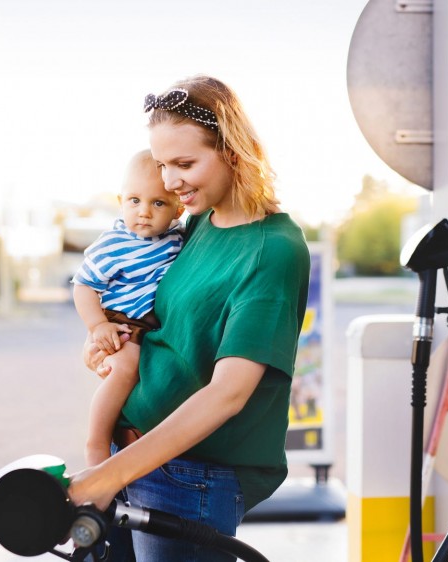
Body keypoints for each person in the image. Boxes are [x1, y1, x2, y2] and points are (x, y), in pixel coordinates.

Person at [67, 75, 311, 561]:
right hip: (136, 457)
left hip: (192, 478)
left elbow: (228, 393)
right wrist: (108, 336)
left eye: (184, 163)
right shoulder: (198, 223)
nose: (168, 181)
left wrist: (106, 477)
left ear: (234, 152)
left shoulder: (273, 251)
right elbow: (170, 325)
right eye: (161, 164)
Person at [71, 149, 184, 467]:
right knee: (125, 367)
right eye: (134, 200)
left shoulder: (176, 238)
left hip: (147, 326)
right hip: (120, 323)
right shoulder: (114, 244)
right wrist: (97, 327)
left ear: (178, 209)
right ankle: (96, 442)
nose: (144, 212)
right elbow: (84, 286)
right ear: (121, 201)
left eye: (157, 202)